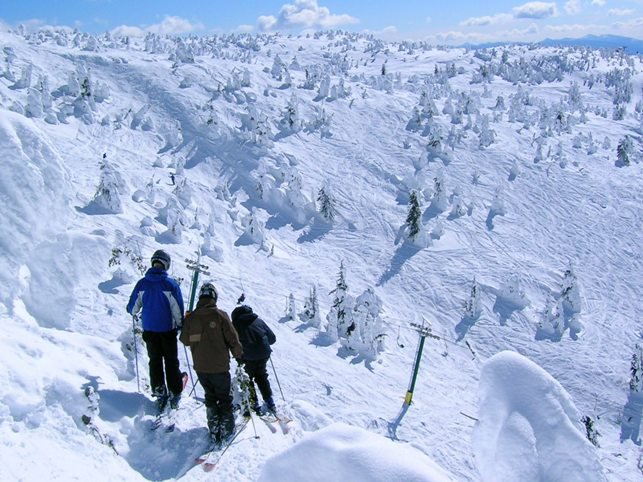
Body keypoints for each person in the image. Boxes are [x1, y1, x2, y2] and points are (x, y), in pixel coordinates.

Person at [180, 282, 243, 445]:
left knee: (210, 397)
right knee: (223, 398)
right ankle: (227, 429)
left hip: (201, 367)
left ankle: (214, 428)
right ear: (214, 297)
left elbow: (185, 340)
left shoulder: (192, 317)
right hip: (219, 367)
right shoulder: (220, 315)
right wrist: (239, 355)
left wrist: (190, 325)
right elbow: (232, 339)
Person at [127, 249, 185, 410]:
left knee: (155, 361)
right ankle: (175, 390)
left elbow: (132, 307)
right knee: (171, 361)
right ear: (166, 264)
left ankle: (159, 390)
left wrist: (134, 311)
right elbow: (177, 308)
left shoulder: (142, 283)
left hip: (150, 330)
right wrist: (180, 324)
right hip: (167, 329)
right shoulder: (170, 284)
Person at [231, 305, 277, 414]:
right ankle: (270, 401)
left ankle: (253, 403)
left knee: (248, 379)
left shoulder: (236, 324)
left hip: (248, 356)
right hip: (264, 354)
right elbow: (272, 338)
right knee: (261, 376)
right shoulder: (258, 321)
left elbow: (232, 341)